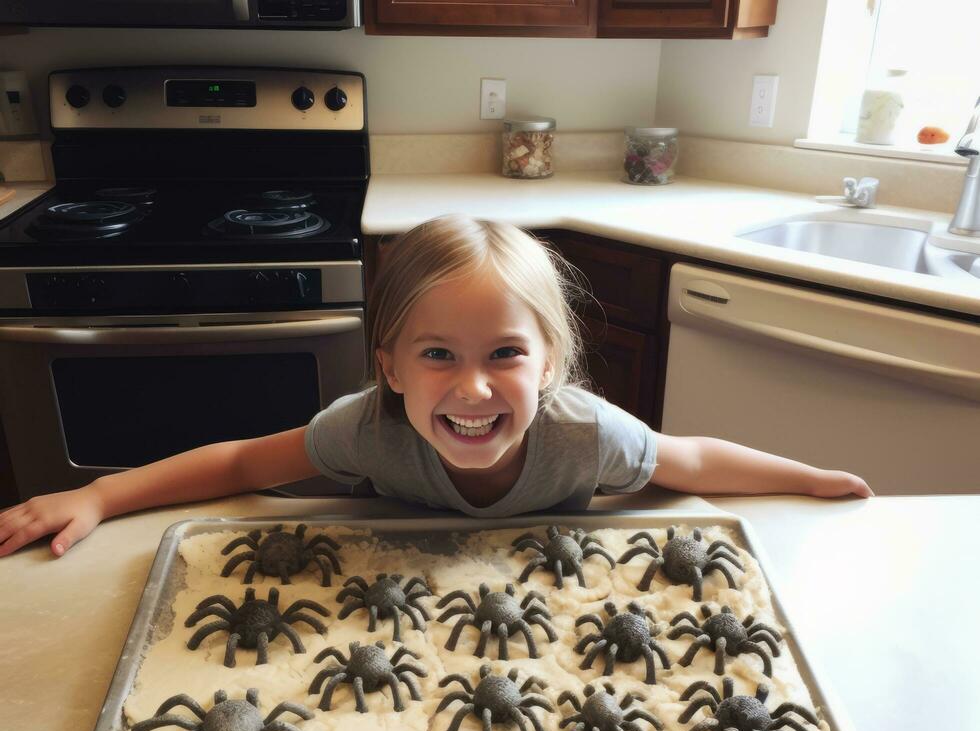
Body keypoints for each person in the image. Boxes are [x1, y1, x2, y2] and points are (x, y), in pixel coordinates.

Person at [0, 214, 871, 559]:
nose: (474, 388)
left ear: (553, 366)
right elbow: (237, 463)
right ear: (388, 368)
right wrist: (104, 496)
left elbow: (691, 461)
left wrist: (810, 480)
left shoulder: (586, 434)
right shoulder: (364, 430)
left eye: (505, 354)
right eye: (438, 356)